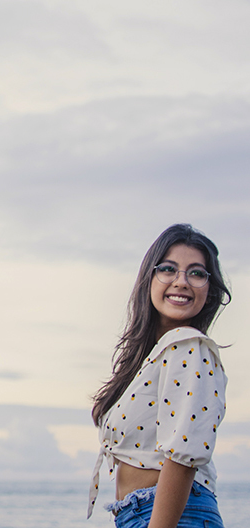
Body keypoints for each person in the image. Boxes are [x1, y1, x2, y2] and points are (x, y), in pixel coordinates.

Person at [88, 224, 231, 528]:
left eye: (196, 273)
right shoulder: (155, 356)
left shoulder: (190, 346)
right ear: (148, 279)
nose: (181, 282)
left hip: (174, 516)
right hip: (140, 515)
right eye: (168, 269)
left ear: (209, 288)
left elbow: (183, 457)